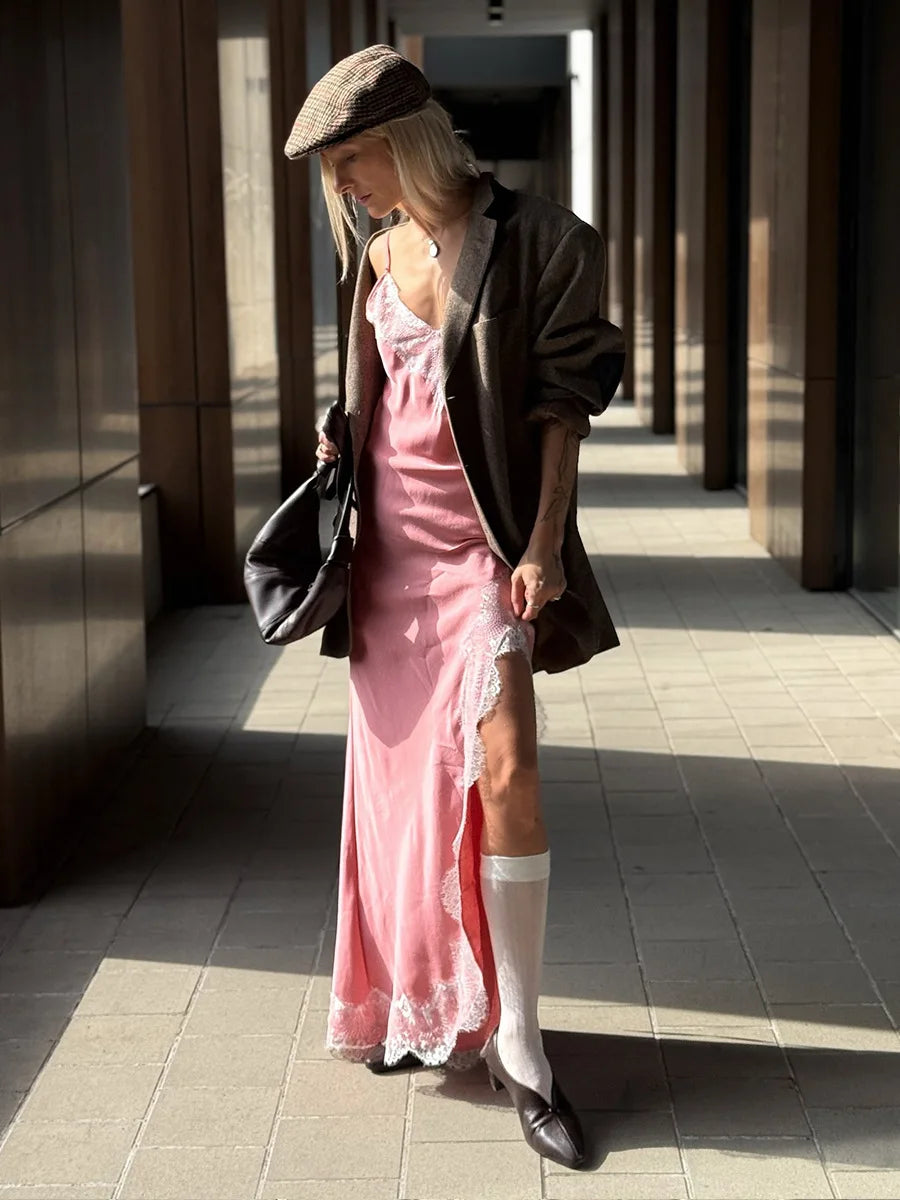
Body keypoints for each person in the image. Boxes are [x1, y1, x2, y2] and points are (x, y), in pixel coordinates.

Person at [284, 44, 624, 1170]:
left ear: (409, 139)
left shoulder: (539, 242)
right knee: (398, 801)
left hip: (483, 554)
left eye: (352, 160)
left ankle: (520, 1043)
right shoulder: (375, 255)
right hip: (388, 565)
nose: (344, 185)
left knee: (508, 769)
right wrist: (340, 434)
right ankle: (418, 1008)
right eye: (334, 169)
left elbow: (563, 403)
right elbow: (375, 400)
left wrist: (543, 545)